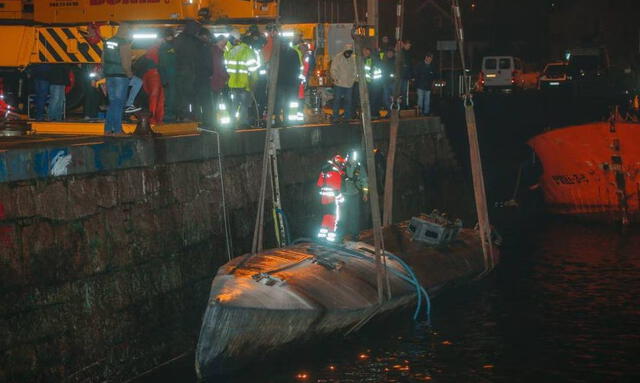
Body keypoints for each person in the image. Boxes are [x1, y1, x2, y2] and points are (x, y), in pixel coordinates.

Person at [103, 22, 133, 134]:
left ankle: (107, 129)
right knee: (119, 104)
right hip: (121, 76)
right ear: (126, 31)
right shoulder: (124, 43)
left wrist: (105, 73)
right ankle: (118, 130)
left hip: (109, 75)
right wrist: (129, 74)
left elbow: (103, 59)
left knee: (112, 103)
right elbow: (126, 63)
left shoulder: (108, 41)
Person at [226, 34, 258, 127]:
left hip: (232, 84)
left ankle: (232, 123)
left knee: (234, 104)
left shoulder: (232, 51)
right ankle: (242, 124)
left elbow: (227, 66)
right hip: (244, 84)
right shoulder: (249, 51)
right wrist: (254, 83)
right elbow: (253, 71)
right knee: (244, 105)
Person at [174, 20, 202, 121]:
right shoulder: (195, 41)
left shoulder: (179, 39)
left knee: (181, 94)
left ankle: (182, 115)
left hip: (180, 70)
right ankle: (191, 115)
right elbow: (198, 56)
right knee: (191, 94)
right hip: (191, 70)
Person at [316, 154, 347, 242]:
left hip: (324, 199)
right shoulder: (336, 173)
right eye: (341, 163)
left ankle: (322, 238)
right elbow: (336, 190)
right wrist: (342, 200)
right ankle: (331, 240)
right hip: (333, 199)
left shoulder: (324, 171)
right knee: (334, 219)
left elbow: (319, 184)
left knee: (326, 218)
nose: (342, 165)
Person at [340, 150, 368, 241]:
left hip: (354, 194)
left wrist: (365, 193)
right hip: (343, 195)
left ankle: (354, 234)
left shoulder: (359, 167)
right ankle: (339, 234)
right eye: (351, 158)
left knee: (354, 215)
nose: (353, 160)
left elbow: (364, 180)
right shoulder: (342, 166)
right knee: (341, 215)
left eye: (354, 158)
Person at [330, 44, 357, 122]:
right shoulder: (338, 57)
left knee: (348, 101)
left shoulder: (353, 58)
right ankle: (335, 116)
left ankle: (347, 117)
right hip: (339, 83)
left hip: (349, 84)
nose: (348, 54)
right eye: (347, 52)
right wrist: (336, 78)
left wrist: (353, 79)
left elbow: (355, 70)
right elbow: (333, 69)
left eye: (350, 52)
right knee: (337, 100)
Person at [141, 39, 165, 124]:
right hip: (155, 75)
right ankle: (154, 119)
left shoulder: (151, 49)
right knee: (156, 98)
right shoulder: (157, 50)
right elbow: (160, 63)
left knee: (155, 97)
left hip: (152, 75)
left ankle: (155, 118)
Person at [194, 27, 214, 125]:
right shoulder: (205, 47)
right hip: (204, 77)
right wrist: (210, 73)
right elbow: (208, 63)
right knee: (206, 101)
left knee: (198, 101)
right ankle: (208, 121)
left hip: (195, 77)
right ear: (204, 36)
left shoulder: (193, 46)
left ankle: (199, 119)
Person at [158, 28, 177, 122]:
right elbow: (163, 64)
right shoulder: (166, 48)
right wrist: (164, 79)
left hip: (170, 74)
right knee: (170, 95)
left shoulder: (167, 47)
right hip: (169, 75)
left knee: (171, 95)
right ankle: (168, 115)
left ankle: (169, 114)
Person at [211, 34, 229, 127]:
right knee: (214, 102)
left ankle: (214, 121)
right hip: (216, 81)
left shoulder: (215, 51)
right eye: (224, 43)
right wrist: (226, 76)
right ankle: (214, 122)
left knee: (214, 102)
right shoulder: (217, 52)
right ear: (219, 41)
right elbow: (219, 67)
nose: (225, 45)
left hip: (215, 81)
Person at [362, 47, 383, 118]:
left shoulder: (372, 59)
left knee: (374, 99)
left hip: (374, 82)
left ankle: (374, 113)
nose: (366, 53)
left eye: (367, 52)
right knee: (374, 99)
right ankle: (374, 113)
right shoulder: (371, 59)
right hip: (373, 82)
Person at [381, 47, 396, 112]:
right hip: (385, 82)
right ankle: (390, 111)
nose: (390, 54)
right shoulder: (383, 61)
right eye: (389, 52)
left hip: (393, 82)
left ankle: (394, 111)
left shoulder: (395, 61)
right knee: (385, 98)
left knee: (394, 98)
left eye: (391, 52)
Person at [400, 40, 413, 109]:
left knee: (405, 91)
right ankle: (400, 105)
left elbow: (410, 65)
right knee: (400, 91)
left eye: (409, 46)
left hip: (406, 76)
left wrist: (410, 75)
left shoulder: (409, 54)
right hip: (400, 75)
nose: (409, 47)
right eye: (408, 45)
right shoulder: (401, 52)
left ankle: (404, 105)